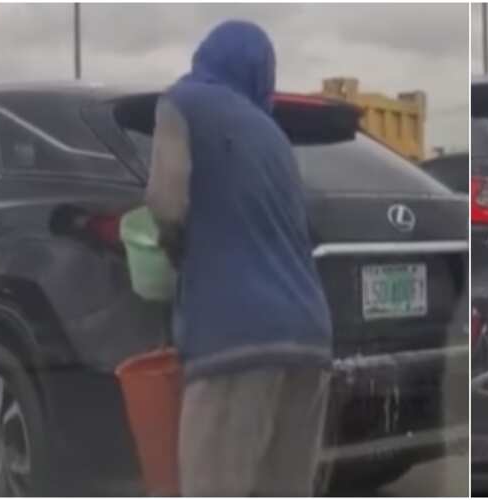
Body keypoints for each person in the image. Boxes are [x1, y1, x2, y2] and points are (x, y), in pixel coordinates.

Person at [144, 20, 333, 496]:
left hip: (234, 342)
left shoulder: (182, 103)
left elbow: (166, 203)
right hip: (310, 340)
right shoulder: (274, 137)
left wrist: (172, 248)